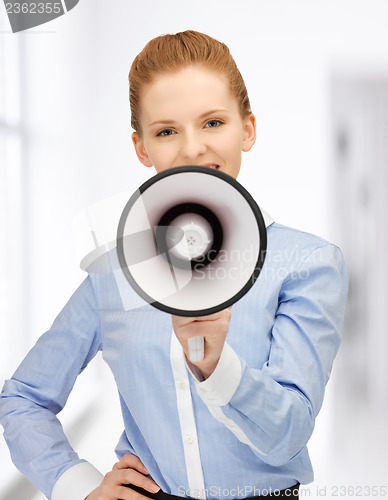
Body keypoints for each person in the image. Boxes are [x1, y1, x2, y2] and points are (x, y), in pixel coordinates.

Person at [0, 31, 347, 500]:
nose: (192, 150)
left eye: (213, 122)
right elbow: (22, 398)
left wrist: (218, 367)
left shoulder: (305, 263)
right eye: (166, 131)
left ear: (247, 128)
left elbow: (289, 435)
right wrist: (77, 486)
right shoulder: (114, 275)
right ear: (142, 147)